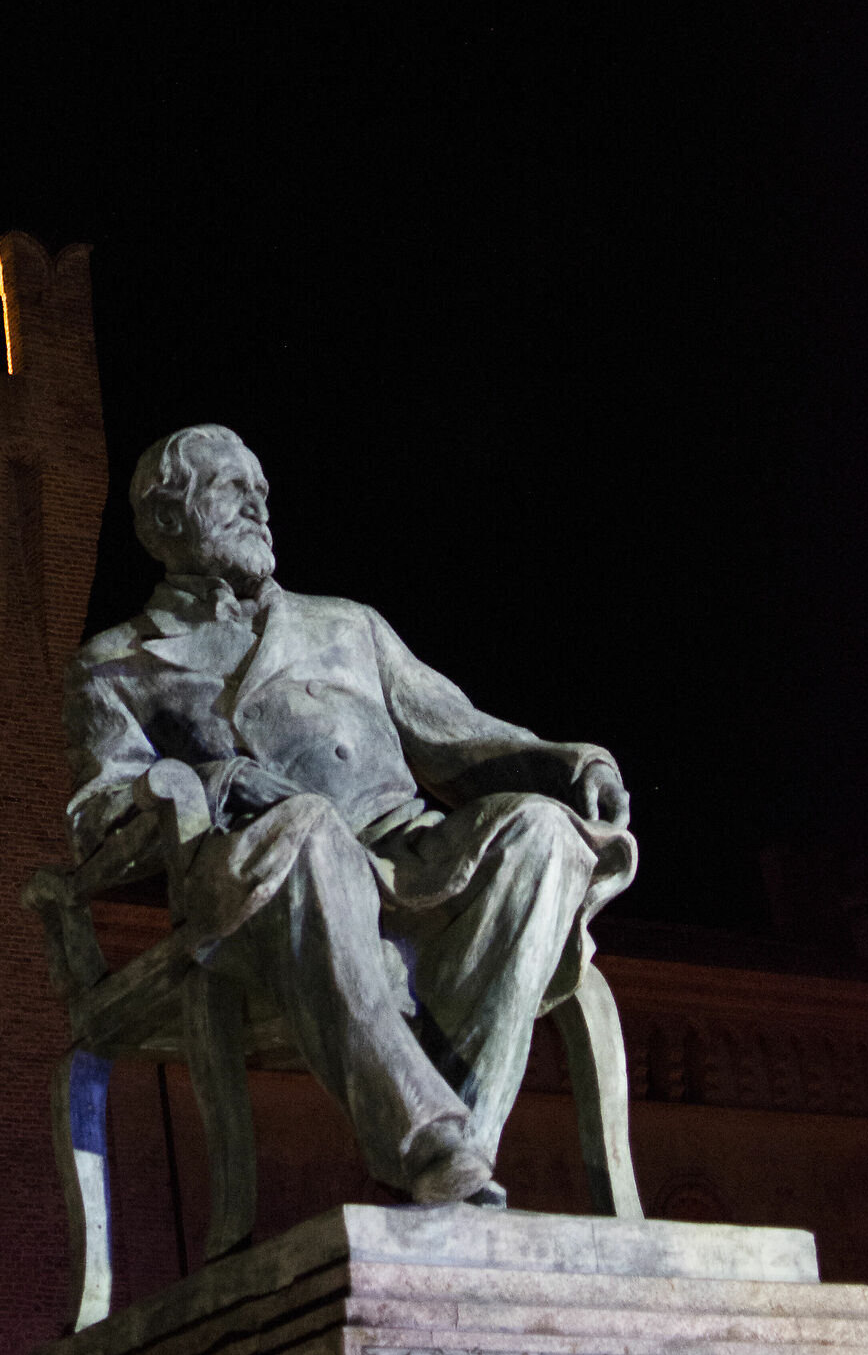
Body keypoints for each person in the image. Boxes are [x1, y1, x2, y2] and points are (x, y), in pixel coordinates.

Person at [64, 425, 636, 1207]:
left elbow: (460, 734)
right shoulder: (117, 663)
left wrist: (573, 765)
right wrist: (210, 781)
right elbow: (98, 814)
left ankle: (458, 1148)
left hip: (403, 853)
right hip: (263, 877)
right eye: (232, 489)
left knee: (541, 833)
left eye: (262, 491)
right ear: (166, 519)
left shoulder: (346, 625)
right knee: (308, 827)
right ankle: (427, 1141)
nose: (258, 507)